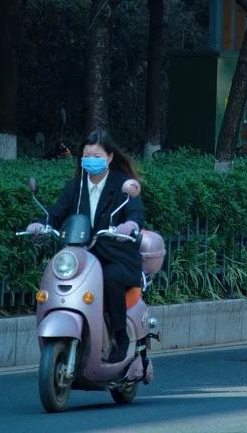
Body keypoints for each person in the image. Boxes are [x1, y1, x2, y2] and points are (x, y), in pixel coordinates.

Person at [29, 128, 144, 361]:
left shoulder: (123, 185)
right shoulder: (76, 186)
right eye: (86, 156)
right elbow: (57, 212)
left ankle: (119, 336)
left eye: (96, 156)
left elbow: (135, 212)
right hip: (81, 257)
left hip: (116, 257)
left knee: (110, 278)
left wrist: (129, 225)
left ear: (109, 157)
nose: (90, 161)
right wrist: (41, 225)